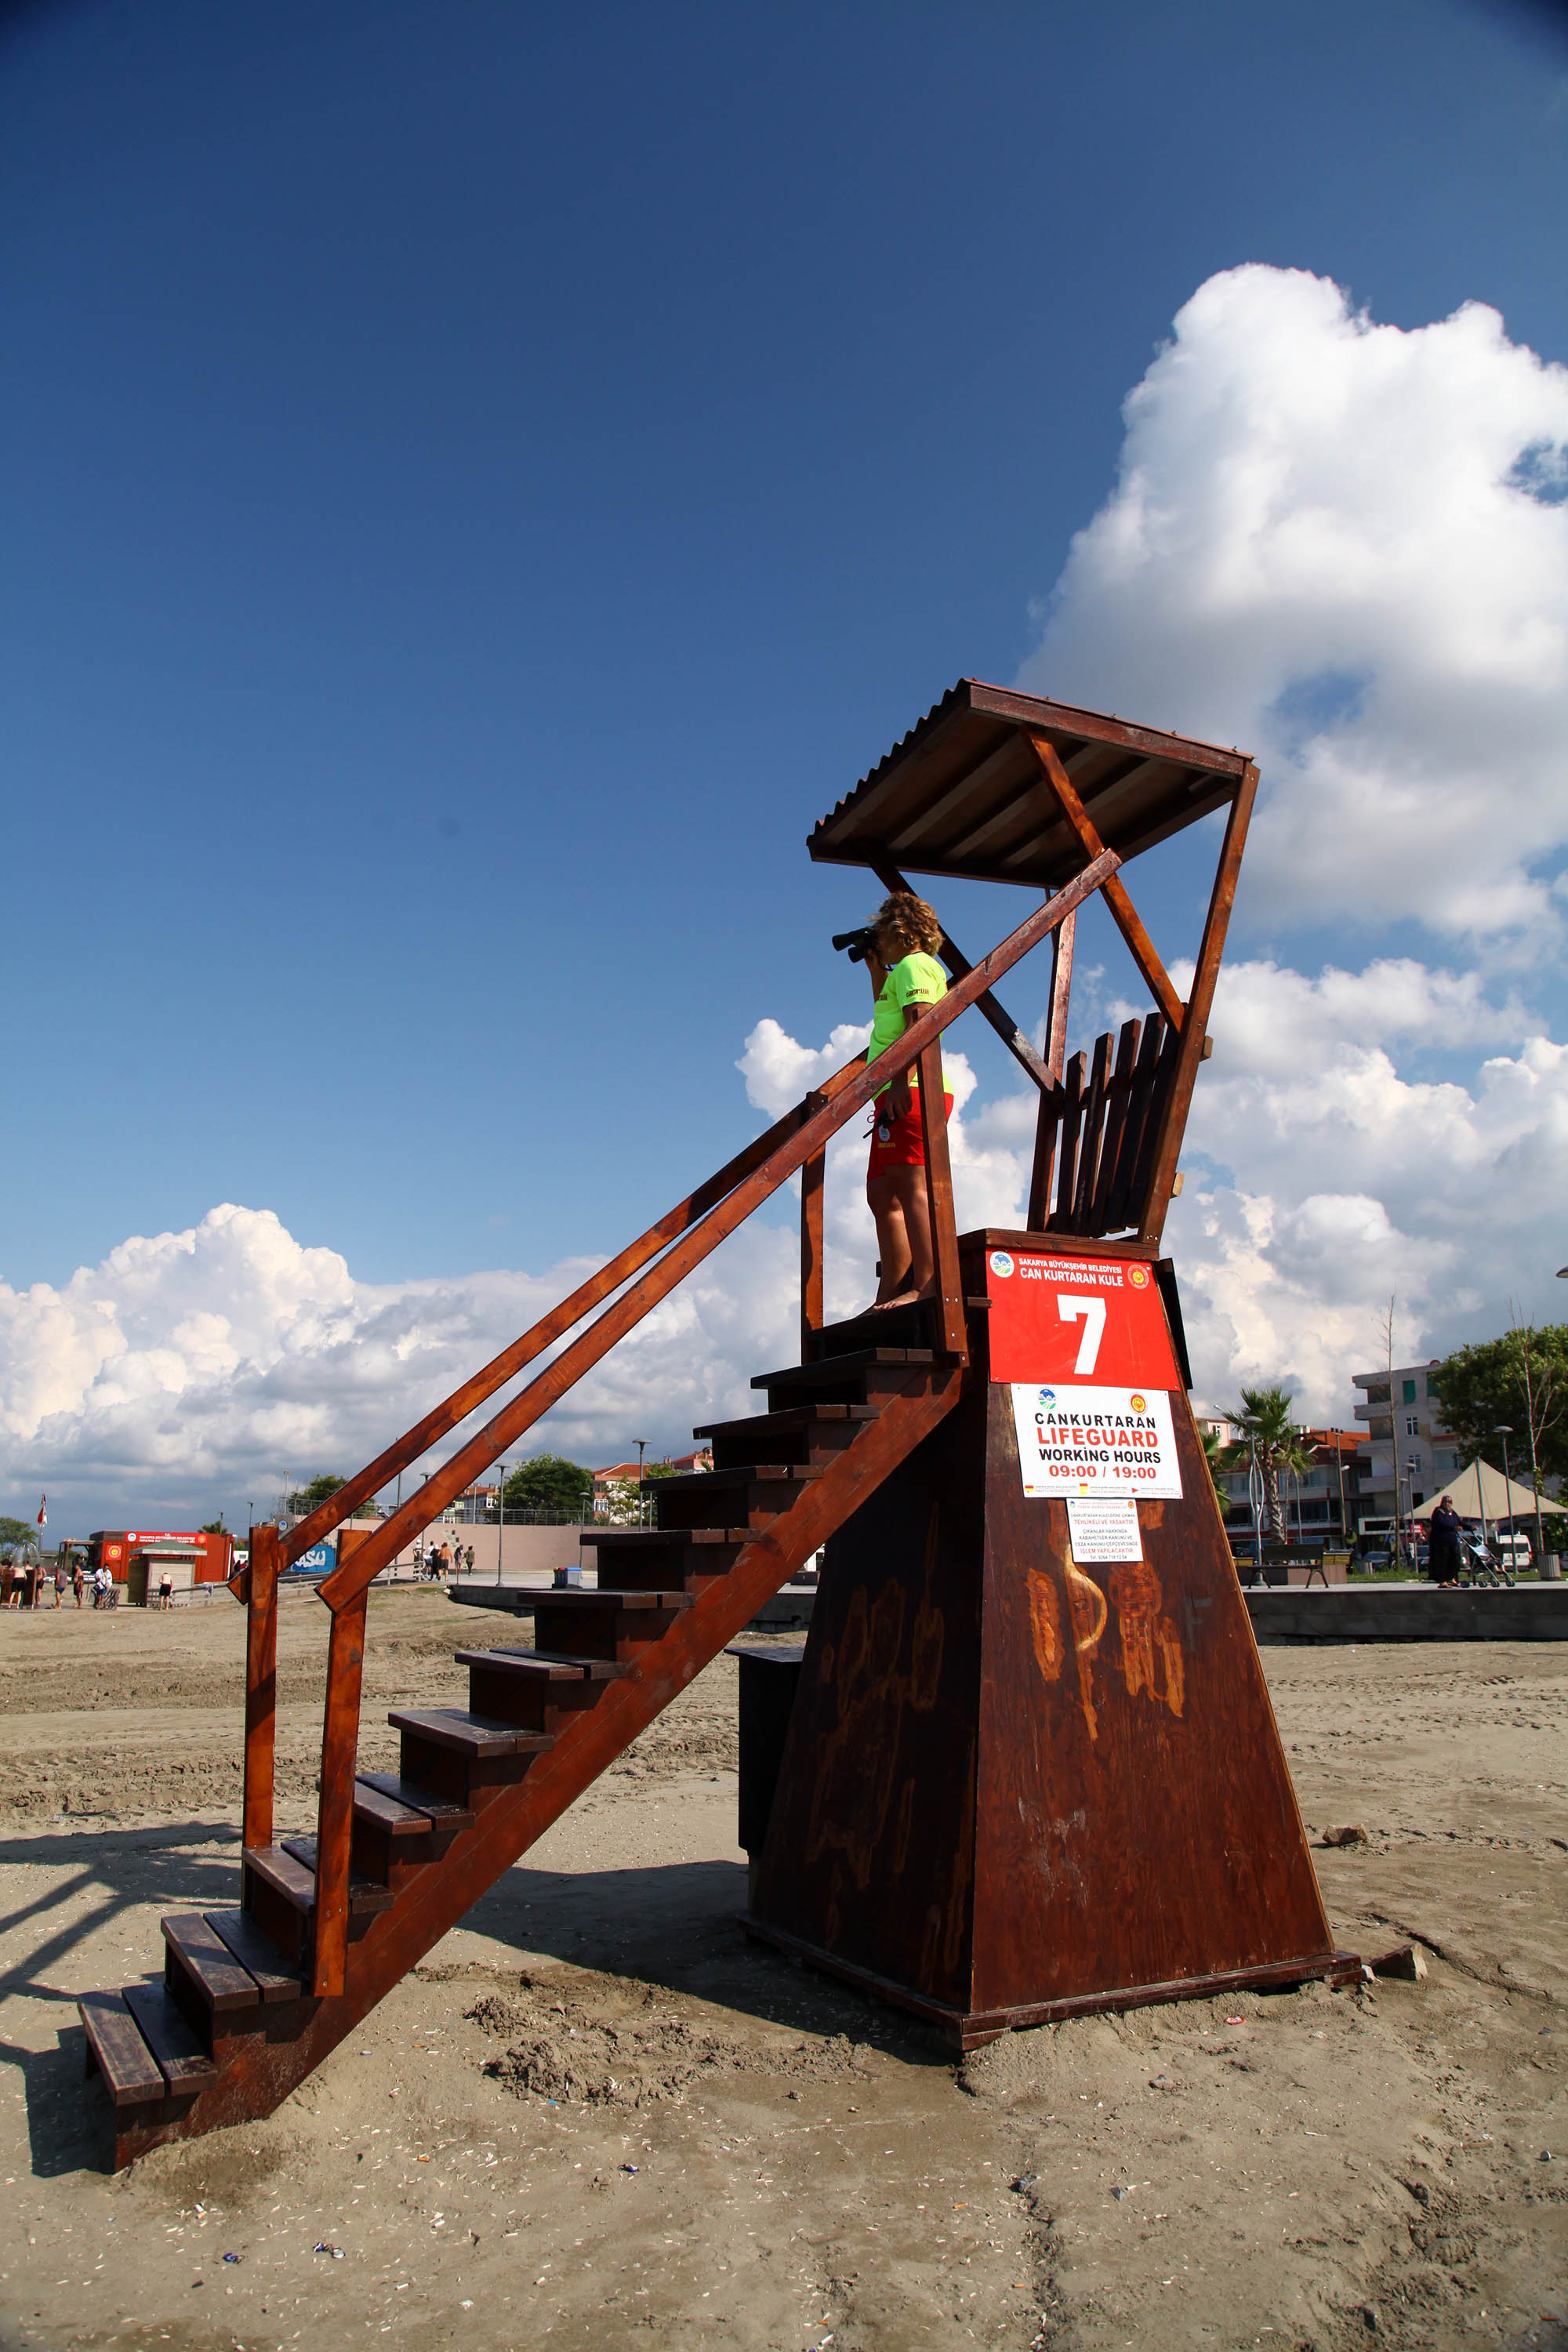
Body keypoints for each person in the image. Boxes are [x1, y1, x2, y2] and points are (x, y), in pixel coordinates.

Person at [858, 891, 954, 1309]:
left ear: (900, 931)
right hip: (894, 1093)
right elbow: (889, 1016)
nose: (879, 940)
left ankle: (928, 1284)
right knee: (882, 1194)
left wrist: (900, 1082)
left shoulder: (918, 965)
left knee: (912, 1187)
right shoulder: (901, 972)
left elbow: (920, 1026)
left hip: (912, 1089)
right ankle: (892, 1289)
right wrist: (875, 971)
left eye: (883, 933)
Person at [1428, 1494, 1463, 1587]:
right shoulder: (1438, 1512)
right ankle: (1442, 1581)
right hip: (1441, 1542)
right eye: (1446, 1502)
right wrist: (1454, 1528)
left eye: (1450, 1502)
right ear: (1443, 1503)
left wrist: (1470, 1527)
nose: (1448, 1504)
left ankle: (1451, 1578)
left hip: (1452, 1541)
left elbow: (1460, 1522)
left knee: (1455, 1560)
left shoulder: (1453, 1513)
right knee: (1443, 1561)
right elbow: (1441, 1524)